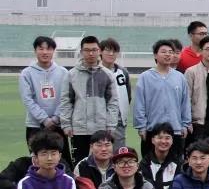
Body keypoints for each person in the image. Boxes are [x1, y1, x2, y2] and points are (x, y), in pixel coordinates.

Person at [60, 35, 120, 164]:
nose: (91, 53)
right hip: (79, 128)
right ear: (81, 52)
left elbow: (112, 102)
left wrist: (111, 124)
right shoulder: (71, 75)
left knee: (102, 163)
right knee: (79, 163)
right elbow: (66, 101)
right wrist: (66, 124)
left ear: (99, 51)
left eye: (94, 50)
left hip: (101, 128)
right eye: (87, 50)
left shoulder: (108, 74)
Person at [134, 39, 192, 160]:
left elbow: (185, 103)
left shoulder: (180, 77)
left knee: (175, 165)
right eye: (164, 52)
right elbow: (139, 104)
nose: (168, 55)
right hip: (152, 130)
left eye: (170, 52)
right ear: (155, 55)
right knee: (150, 164)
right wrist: (141, 126)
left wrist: (185, 124)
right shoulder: (145, 77)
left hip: (175, 130)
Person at [21, 36, 70, 156]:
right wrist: (44, 119)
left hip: (58, 125)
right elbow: (27, 99)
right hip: (35, 125)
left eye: (48, 49)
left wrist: (55, 118)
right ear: (35, 51)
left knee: (61, 161)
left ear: (53, 51)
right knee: (37, 160)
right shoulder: (26, 73)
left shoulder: (63, 72)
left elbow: (66, 98)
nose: (45, 52)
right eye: (41, 49)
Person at [139, 123, 181, 189]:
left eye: (167, 138)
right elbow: (149, 186)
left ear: (172, 141)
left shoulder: (178, 162)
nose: (163, 141)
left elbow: (175, 187)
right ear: (153, 140)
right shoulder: (145, 163)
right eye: (160, 137)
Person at [99, 37, 132, 150]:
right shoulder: (95, 72)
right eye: (108, 50)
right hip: (99, 121)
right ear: (101, 52)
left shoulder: (123, 72)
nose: (111, 53)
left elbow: (128, 96)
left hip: (119, 121)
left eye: (114, 51)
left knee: (118, 153)